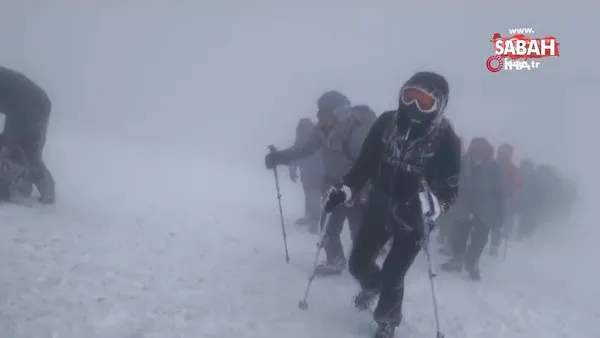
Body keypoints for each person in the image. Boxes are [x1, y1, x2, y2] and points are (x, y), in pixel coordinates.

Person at [321, 71, 461, 338]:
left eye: (424, 102)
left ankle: (387, 321)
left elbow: (449, 189)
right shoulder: (387, 123)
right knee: (358, 262)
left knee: (394, 272)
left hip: (414, 216)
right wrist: (347, 188)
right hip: (379, 203)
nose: (413, 107)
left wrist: (432, 203)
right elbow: (365, 163)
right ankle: (372, 285)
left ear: (439, 105)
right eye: (409, 97)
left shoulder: (446, 141)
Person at [265, 91, 376, 276]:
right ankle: (335, 260)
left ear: (338, 113)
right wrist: (279, 157)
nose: (317, 115)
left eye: (322, 112)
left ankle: (364, 267)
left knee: (359, 231)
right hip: (332, 183)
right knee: (328, 227)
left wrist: (363, 192)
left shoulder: (357, 134)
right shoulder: (321, 131)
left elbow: (371, 165)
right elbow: (303, 149)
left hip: (357, 186)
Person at [441, 137, 506, 280]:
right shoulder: (462, 162)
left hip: (486, 208)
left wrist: (501, 213)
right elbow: (452, 179)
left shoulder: (495, 168)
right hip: (463, 205)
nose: (477, 152)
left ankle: (472, 263)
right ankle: (457, 259)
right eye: (475, 148)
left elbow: (501, 192)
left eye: (481, 149)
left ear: (487, 152)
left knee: (480, 238)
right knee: (459, 234)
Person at [0, 66, 55, 204]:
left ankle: (45, 193)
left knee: (24, 151)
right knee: (19, 149)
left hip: (31, 106)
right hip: (25, 105)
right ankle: (18, 184)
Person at [288, 118, 324, 232]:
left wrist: (293, 170)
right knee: (310, 195)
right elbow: (295, 154)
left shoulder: (316, 138)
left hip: (316, 172)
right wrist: (292, 170)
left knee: (313, 196)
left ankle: (314, 222)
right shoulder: (302, 138)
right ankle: (309, 218)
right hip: (307, 172)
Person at [489, 143, 520, 255]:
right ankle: (494, 245)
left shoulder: (492, 164)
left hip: (489, 198)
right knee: (497, 224)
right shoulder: (512, 168)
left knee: (484, 221)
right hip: (502, 200)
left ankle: (483, 243)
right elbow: (517, 185)